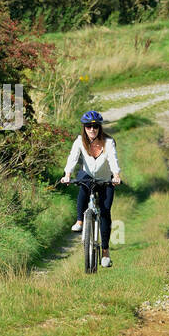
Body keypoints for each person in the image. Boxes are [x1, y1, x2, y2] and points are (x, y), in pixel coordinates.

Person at [60, 110, 122, 268]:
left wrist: (116, 175)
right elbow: (73, 158)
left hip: (105, 179)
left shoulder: (108, 142)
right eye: (88, 126)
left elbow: (113, 159)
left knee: (105, 212)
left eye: (95, 127)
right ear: (84, 128)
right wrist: (67, 174)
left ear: (100, 128)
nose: (92, 130)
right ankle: (80, 220)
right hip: (87, 175)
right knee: (83, 187)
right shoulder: (79, 141)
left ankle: (106, 252)